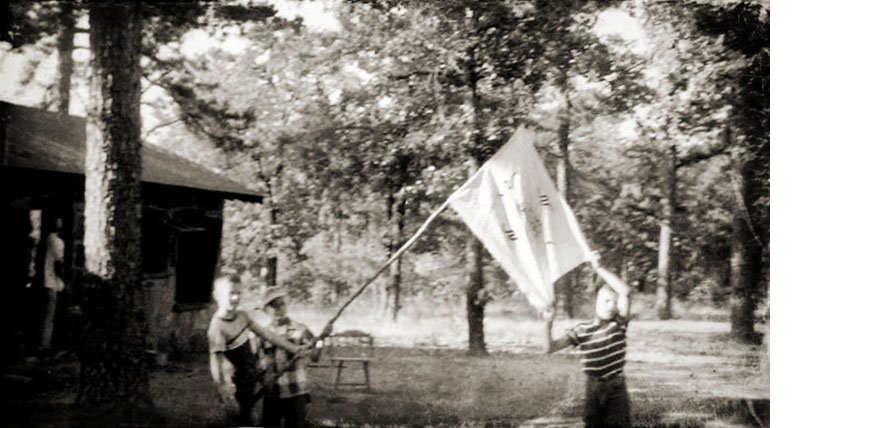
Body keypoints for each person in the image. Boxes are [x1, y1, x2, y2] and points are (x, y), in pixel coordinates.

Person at [207, 276, 319, 426]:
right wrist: (227, 396)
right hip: (235, 385)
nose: (235, 298)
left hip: (251, 381)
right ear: (217, 295)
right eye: (231, 293)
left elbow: (269, 336)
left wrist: (294, 348)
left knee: (251, 419)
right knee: (241, 420)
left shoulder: (242, 316)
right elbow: (217, 367)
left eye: (239, 293)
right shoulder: (217, 328)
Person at [548, 259, 633, 428]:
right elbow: (551, 347)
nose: (612, 306)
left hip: (616, 387)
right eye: (606, 301)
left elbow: (626, 292)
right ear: (595, 303)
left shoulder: (618, 324)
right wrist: (547, 324)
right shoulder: (582, 330)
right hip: (593, 388)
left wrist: (599, 267)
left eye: (614, 302)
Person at [258, 287, 327, 428]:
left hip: (296, 393)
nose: (278, 308)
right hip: (272, 393)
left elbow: (314, 356)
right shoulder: (261, 333)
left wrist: (321, 340)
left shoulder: (300, 329)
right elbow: (257, 363)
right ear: (266, 309)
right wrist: (263, 378)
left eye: (281, 303)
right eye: (273, 305)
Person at [39, 217, 65, 355]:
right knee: (51, 316)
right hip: (54, 283)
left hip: (46, 282)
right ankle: (47, 346)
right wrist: (65, 280)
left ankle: (44, 345)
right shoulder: (58, 242)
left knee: (46, 316)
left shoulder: (47, 240)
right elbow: (58, 264)